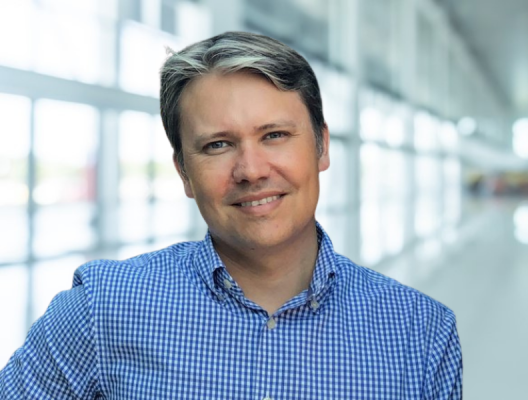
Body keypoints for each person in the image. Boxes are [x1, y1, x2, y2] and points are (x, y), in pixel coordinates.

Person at [0, 31, 462, 399]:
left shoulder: (419, 332)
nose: (252, 170)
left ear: (321, 146)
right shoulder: (101, 309)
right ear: (184, 171)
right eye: (217, 145)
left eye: (275, 134)